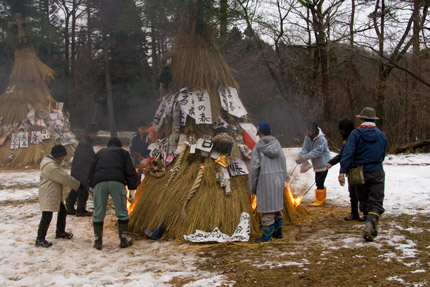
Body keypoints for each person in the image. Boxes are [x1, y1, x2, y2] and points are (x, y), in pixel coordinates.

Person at [339, 107, 387, 242]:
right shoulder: (381, 135)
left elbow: (348, 153)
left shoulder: (355, 134)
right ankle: (371, 224)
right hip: (376, 171)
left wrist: (343, 170)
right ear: (374, 120)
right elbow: (383, 154)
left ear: (362, 119)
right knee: (376, 202)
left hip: (359, 172)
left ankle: (370, 225)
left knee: (364, 201)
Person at [88, 137, 138, 250]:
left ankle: (98, 242)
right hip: (117, 182)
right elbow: (130, 171)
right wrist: (132, 189)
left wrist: (91, 185)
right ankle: (124, 240)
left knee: (99, 212)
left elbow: (92, 169)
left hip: (99, 183)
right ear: (119, 146)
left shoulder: (100, 153)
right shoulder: (123, 153)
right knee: (122, 212)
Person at [35, 145, 81, 248]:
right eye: (63, 156)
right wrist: (77, 185)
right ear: (58, 155)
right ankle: (40, 239)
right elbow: (63, 177)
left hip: (53, 193)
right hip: (49, 193)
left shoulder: (53, 162)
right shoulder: (50, 166)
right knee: (47, 215)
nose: (63, 158)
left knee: (62, 211)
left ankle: (60, 232)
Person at [249, 121, 287, 242]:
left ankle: (266, 236)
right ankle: (278, 232)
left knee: (267, 210)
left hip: (265, 182)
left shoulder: (258, 148)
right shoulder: (278, 145)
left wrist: (253, 187)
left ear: (259, 133)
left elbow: (254, 168)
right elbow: (284, 163)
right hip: (278, 181)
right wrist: (283, 180)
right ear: (270, 131)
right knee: (276, 208)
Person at [327, 118, 363, 221]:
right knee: (353, 193)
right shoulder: (349, 138)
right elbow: (342, 154)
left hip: (356, 168)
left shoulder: (353, 138)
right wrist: (331, 162)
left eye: (341, 129)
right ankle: (355, 213)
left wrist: (342, 170)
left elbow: (346, 155)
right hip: (352, 168)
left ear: (344, 129)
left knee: (358, 192)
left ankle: (364, 214)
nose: (340, 132)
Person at [66, 122, 99, 216]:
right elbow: (88, 158)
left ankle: (70, 206)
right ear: (89, 133)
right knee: (83, 189)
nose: (95, 136)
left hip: (78, 169)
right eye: (95, 133)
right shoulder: (85, 144)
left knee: (76, 187)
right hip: (82, 170)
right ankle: (81, 210)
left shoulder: (85, 142)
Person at [296, 121, 331, 207]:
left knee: (319, 181)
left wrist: (305, 157)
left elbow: (317, 152)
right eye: (307, 130)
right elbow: (305, 149)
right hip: (317, 164)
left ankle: (319, 201)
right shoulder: (308, 138)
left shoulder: (321, 139)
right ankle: (322, 199)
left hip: (324, 163)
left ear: (314, 130)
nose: (308, 132)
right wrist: (300, 156)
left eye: (309, 130)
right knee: (320, 181)